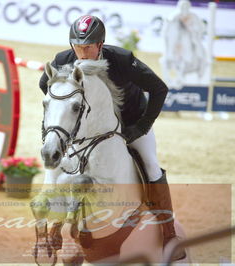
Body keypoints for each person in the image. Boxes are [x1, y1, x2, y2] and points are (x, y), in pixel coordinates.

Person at [39, 15, 185, 260]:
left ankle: (169, 234)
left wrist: (142, 126)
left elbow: (159, 89)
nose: (82, 52)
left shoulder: (121, 60)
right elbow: (47, 86)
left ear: (101, 44)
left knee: (150, 165)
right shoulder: (63, 61)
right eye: (78, 46)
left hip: (131, 122)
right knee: (60, 164)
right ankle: (54, 225)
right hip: (88, 127)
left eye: (88, 47)